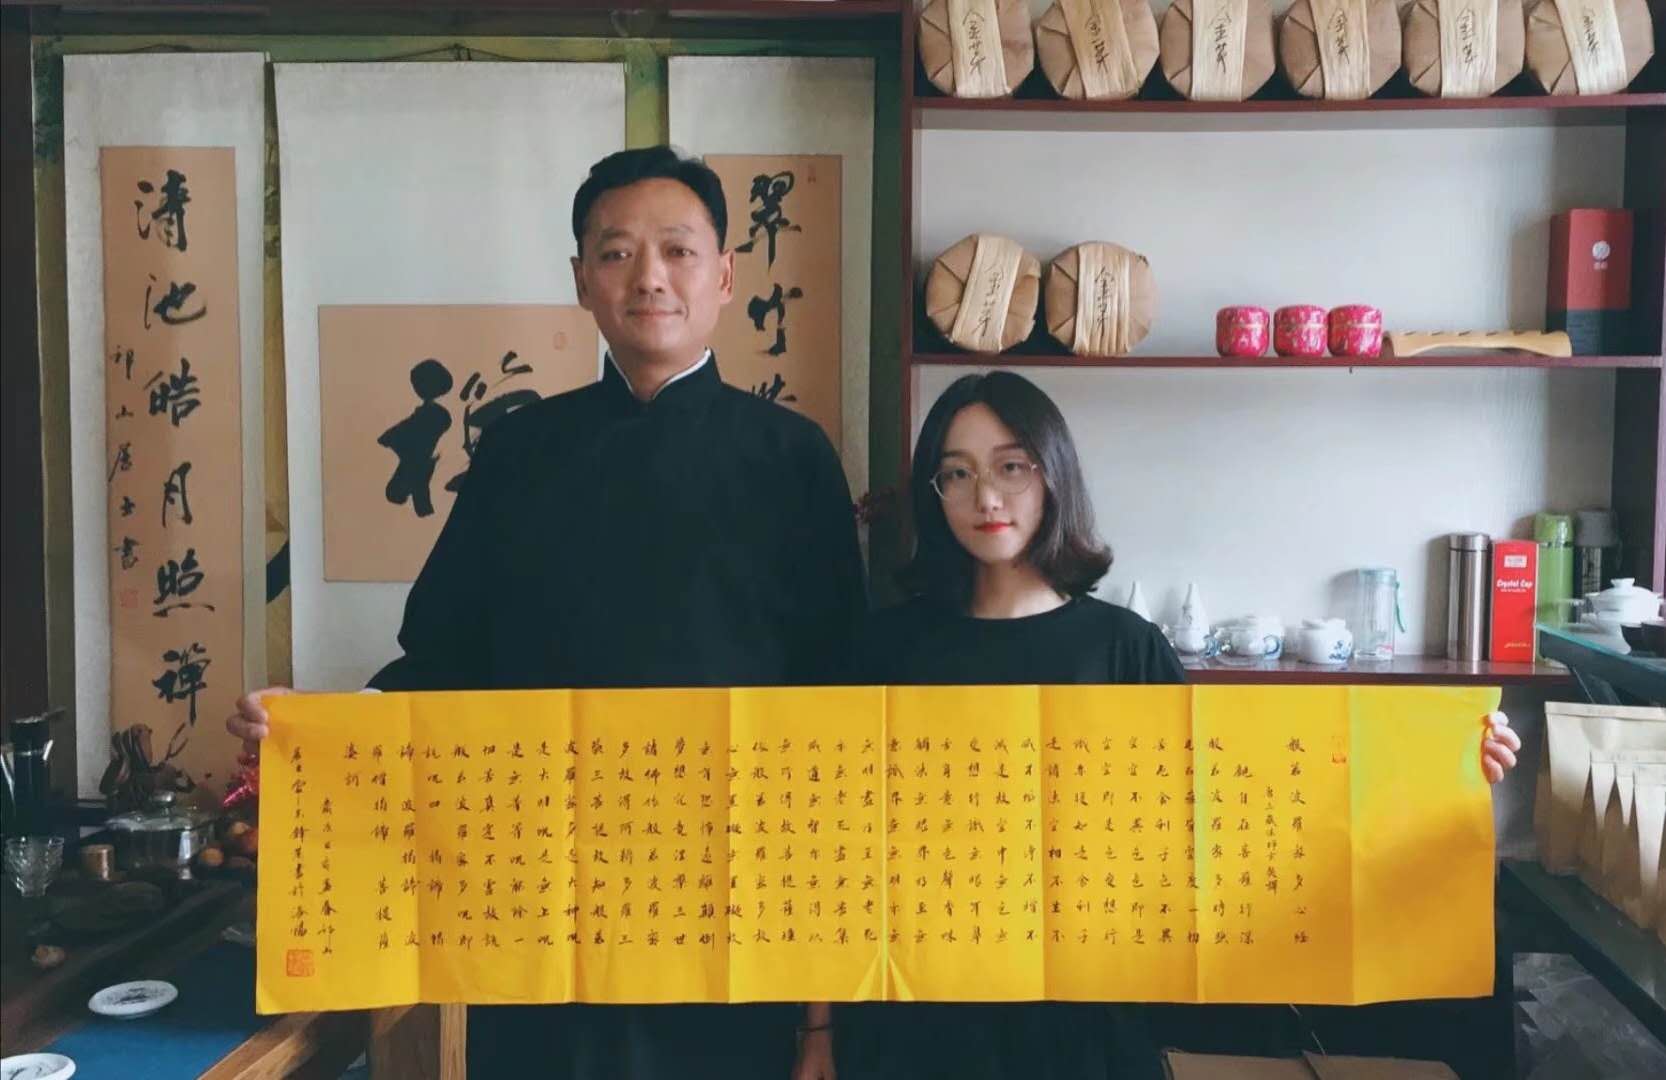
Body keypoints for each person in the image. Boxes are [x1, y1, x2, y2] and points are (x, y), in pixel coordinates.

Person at [229, 146, 866, 1080]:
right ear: (580, 280)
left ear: (725, 276)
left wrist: (820, 1018)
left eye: (678, 250)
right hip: (536, 898)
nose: (649, 277)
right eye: (616, 253)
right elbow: (443, 657)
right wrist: (321, 729)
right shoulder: (519, 451)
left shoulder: (793, 458)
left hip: (730, 901)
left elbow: (835, 713)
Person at [838, 371, 1521, 1079]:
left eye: (1011, 467)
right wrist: (820, 1028)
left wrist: (1446, 765)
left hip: (1090, 1023)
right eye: (957, 473)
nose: (986, 496)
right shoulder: (889, 647)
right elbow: (842, 841)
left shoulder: (1126, 648)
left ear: (1053, 474)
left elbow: (1235, 817)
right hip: (918, 1019)